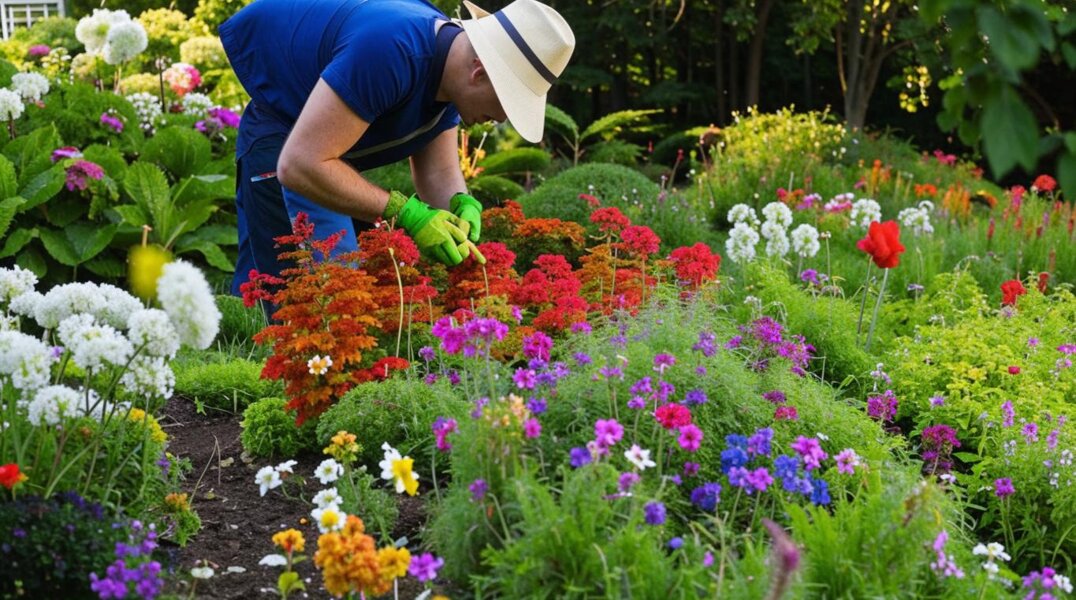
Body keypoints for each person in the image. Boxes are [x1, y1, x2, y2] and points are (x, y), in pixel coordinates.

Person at [219, 0, 576, 295]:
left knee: (269, 300)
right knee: (321, 299)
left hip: (317, 146)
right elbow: (301, 164)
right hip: (285, 128)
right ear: (479, 73)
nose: (501, 118)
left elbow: (438, 172)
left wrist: (460, 206)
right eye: (508, 101)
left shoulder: (450, 70)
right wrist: (407, 214)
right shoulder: (392, 50)